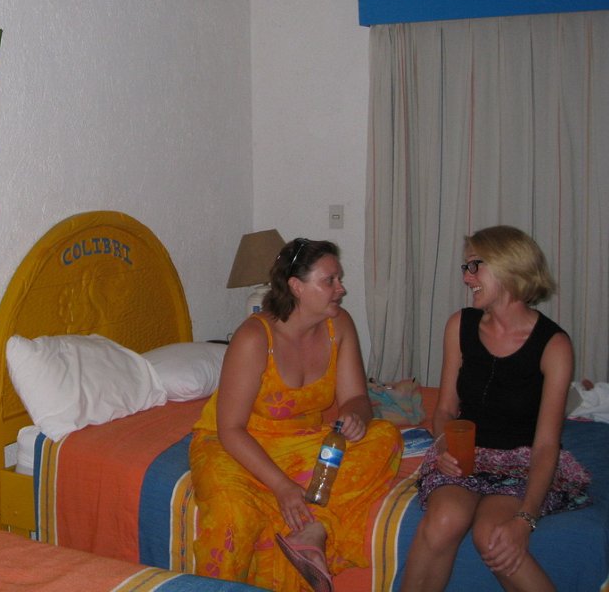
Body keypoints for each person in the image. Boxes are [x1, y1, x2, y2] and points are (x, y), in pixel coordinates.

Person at [190, 238, 403, 592]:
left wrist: (355, 415)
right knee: (233, 517)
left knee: (385, 437)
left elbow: (356, 398)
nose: (341, 289)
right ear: (296, 287)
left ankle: (312, 529)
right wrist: (283, 487)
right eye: (330, 281)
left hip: (299, 440)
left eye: (339, 279)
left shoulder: (339, 326)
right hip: (237, 443)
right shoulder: (254, 338)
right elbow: (230, 429)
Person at [400, 225, 591, 592]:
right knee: (443, 520)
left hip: (521, 460)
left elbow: (546, 443)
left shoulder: (553, 345)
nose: (466, 277)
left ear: (509, 266)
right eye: (465, 267)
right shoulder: (460, 325)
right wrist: (443, 447)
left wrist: (525, 519)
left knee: (494, 536)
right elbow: (445, 409)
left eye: (475, 265)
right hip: (465, 454)